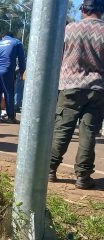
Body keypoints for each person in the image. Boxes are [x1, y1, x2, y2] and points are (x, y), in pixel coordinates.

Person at [49, 0, 104, 190]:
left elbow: (56, 57)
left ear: (83, 9)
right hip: (97, 89)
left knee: (62, 128)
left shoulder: (69, 29)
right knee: (88, 132)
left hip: (69, 87)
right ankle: (83, 176)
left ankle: (50, 169)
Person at [0, 33, 26, 124]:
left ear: (2, 37)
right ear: (12, 36)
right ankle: (11, 117)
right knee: (9, 94)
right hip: (7, 71)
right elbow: (21, 59)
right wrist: (22, 71)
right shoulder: (17, 42)